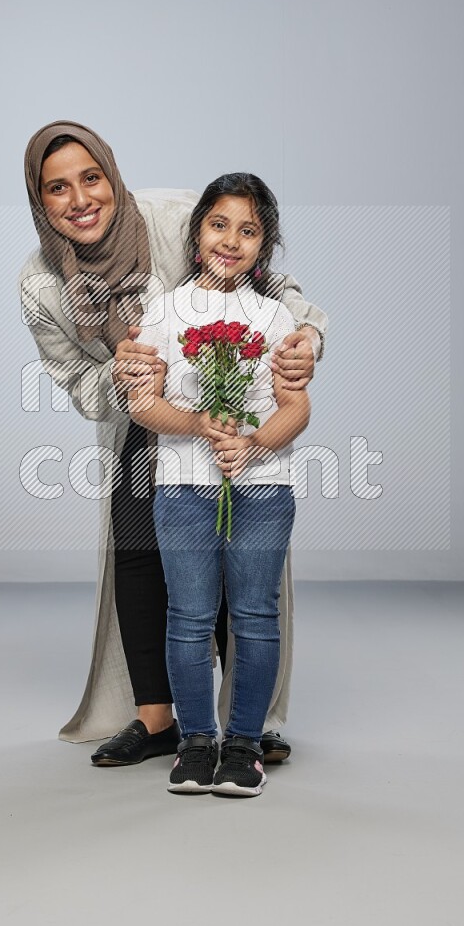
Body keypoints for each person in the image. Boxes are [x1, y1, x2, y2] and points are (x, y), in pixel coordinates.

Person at [19, 121, 328, 764]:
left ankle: (245, 718)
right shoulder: (40, 285)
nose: (80, 199)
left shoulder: (178, 217)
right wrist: (123, 372)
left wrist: (306, 341)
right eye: (58, 188)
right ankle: (158, 720)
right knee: (137, 554)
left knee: (233, 558)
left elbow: (276, 287)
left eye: (92, 178)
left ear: (112, 175)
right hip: (144, 420)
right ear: (38, 199)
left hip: (231, 415)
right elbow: (80, 385)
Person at [129, 173, 309, 797]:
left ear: (265, 245)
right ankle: (196, 742)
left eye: (249, 230)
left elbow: (296, 406)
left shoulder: (275, 314)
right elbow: (143, 405)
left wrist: (255, 439)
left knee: (256, 615)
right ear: (198, 230)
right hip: (182, 486)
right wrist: (201, 423)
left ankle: (244, 745)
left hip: (261, 489)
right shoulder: (166, 310)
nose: (231, 240)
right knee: (189, 616)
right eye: (219, 224)